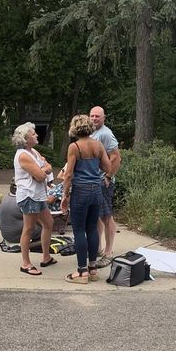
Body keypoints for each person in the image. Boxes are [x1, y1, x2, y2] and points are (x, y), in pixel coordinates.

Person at [59, 115, 113, 283]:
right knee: (92, 228)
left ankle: (81, 273)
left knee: (79, 230)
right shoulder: (98, 145)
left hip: (80, 192)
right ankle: (93, 269)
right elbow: (108, 167)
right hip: (96, 190)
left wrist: (65, 196)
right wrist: (101, 174)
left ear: (75, 128)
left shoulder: (74, 147)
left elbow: (68, 175)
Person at [12, 122, 55, 276]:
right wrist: (44, 169)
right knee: (28, 229)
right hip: (29, 196)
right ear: (25, 138)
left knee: (49, 223)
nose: (36, 135)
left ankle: (46, 257)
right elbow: (41, 176)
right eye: (33, 134)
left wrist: (44, 168)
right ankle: (26, 263)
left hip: (38, 196)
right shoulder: (23, 155)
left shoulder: (33, 152)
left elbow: (46, 165)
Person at [89, 106, 122, 268]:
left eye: (97, 116)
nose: (94, 119)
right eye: (92, 116)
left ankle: (108, 252)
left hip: (104, 182)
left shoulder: (105, 134)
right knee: (98, 216)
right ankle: (98, 248)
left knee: (107, 217)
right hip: (94, 181)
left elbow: (116, 157)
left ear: (104, 118)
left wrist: (108, 176)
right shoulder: (92, 132)